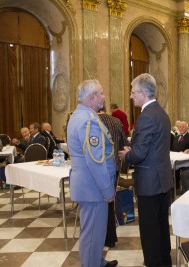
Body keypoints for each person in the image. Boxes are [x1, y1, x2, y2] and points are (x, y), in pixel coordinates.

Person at [118, 73, 172, 266]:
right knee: (161, 227)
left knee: (149, 231)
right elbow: (153, 147)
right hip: (162, 180)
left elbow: (140, 153)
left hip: (150, 182)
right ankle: (164, 262)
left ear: (142, 92)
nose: (131, 96)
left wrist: (126, 154)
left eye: (133, 92)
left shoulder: (146, 117)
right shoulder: (161, 113)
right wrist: (136, 150)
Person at [67, 80, 117, 267]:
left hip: (88, 185)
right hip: (93, 187)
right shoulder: (88, 120)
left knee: (95, 231)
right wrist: (107, 190)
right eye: (101, 93)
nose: (104, 97)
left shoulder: (80, 115)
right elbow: (95, 161)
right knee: (92, 234)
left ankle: (98, 261)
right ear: (91, 97)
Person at [97, 105, 127, 248]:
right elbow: (124, 144)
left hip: (97, 167)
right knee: (109, 202)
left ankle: (100, 237)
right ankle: (110, 237)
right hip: (114, 166)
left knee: (98, 204)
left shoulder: (92, 121)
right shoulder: (116, 121)